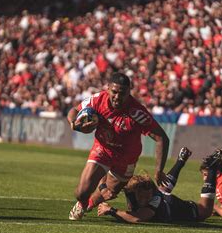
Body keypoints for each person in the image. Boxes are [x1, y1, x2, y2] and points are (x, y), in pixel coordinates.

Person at [67, 72, 170, 220]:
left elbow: (162, 138)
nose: (117, 96)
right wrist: (74, 124)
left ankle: (89, 203)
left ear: (129, 92)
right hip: (103, 149)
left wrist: (159, 170)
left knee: (109, 192)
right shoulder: (97, 100)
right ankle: (83, 202)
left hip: (127, 158)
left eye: (122, 93)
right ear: (108, 88)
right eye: (114, 92)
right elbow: (74, 111)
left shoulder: (137, 112)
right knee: (81, 192)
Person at [97, 147, 217, 223]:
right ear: (135, 191)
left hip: (186, 209)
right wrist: (103, 189)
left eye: (147, 197)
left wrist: (111, 210)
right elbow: (106, 173)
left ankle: (212, 168)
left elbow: (138, 218)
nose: (144, 200)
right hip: (164, 197)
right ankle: (180, 161)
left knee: (205, 212)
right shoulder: (130, 188)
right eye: (142, 197)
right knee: (162, 188)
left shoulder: (155, 200)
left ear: (151, 193)